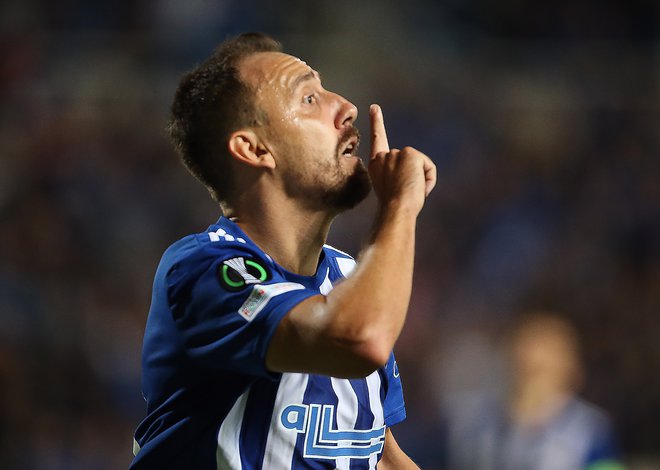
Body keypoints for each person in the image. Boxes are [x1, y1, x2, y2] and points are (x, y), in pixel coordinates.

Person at [130, 32, 436, 469]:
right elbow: (357, 338)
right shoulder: (204, 271)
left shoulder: (352, 278)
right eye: (309, 98)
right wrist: (400, 206)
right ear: (254, 149)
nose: (346, 106)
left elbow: (376, 454)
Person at [442, 312, 625, 470]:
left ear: (571, 370)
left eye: (540, 370)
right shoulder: (471, 421)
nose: (531, 382)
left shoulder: (590, 430)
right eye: (524, 368)